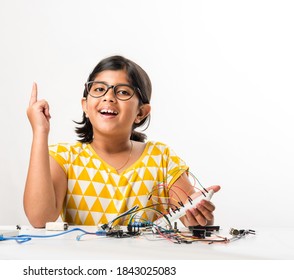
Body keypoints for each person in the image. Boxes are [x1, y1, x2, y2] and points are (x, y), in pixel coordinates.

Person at [24, 55, 220, 228]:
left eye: (123, 92)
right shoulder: (64, 158)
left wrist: (199, 216)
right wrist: (40, 132)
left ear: (141, 113)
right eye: (99, 89)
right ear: (85, 105)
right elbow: (40, 219)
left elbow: (190, 214)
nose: (108, 97)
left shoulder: (161, 158)